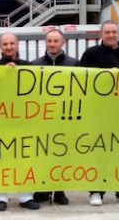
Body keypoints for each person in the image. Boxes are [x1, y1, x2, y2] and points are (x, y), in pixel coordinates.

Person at [79, 21, 119, 206]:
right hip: (98, 113)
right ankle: (96, 191)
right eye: (107, 32)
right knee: (98, 152)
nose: (111, 35)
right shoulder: (91, 54)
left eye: (114, 31)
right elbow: (82, 80)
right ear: (101, 34)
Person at [0, 33, 40, 211]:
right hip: (0, 121)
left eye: (12, 43)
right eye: (5, 44)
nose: (9, 47)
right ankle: (1, 196)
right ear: (0, 47)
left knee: (24, 157)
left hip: (23, 121)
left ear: (17, 45)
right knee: (1, 158)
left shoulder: (28, 66)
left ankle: (25, 196)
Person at [31, 29, 77, 206]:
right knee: (42, 153)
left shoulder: (74, 64)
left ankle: (59, 191)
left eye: (56, 41)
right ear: (46, 43)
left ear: (62, 43)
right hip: (41, 117)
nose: (52, 44)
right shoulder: (35, 64)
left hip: (65, 117)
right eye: (49, 41)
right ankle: (42, 188)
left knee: (61, 153)